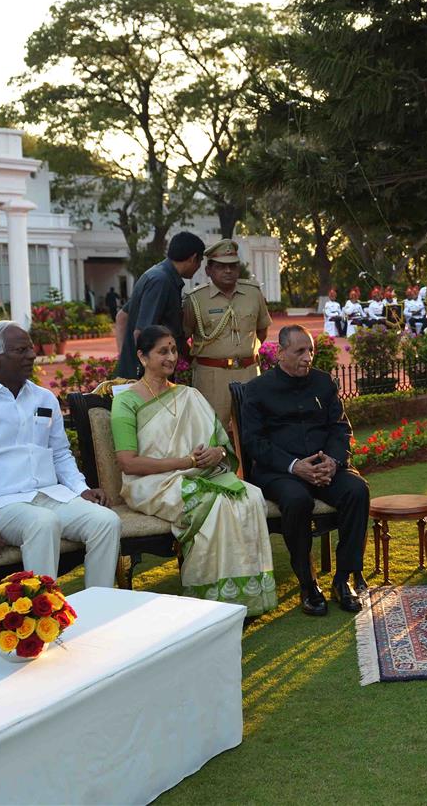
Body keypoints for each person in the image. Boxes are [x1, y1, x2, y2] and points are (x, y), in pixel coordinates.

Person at [0, 321, 121, 588]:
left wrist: (80, 488)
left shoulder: (43, 398)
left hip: (49, 495)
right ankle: (43, 616)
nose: (32, 355)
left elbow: (59, 453)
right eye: (21, 350)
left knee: (106, 521)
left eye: (31, 348)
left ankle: (100, 606)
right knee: (42, 523)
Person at [112, 326, 277, 615]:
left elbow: (220, 448)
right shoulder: (126, 401)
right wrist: (186, 463)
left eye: (174, 350)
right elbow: (128, 462)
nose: (171, 357)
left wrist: (217, 453)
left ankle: (245, 595)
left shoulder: (189, 395)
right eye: (163, 351)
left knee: (249, 497)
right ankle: (210, 599)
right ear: (142, 356)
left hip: (200, 474)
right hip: (150, 483)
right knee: (213, 503)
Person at [239, 325, 369, 615]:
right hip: (280, 472)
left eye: (310, 350)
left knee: (357, 490)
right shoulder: (257, 389)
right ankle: (308, 583)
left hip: (325, 467)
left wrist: (333, 461)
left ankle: (342, 579)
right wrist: (294, 466)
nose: (308, 357)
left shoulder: (324, 382)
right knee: (298, 500)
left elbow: (340, 428)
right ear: (281, 353)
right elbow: (253, 442)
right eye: (300, 351)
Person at [183, 239, 271, 429]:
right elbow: (183, 337)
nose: (228, 271)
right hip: (211, 376)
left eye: (232, 266)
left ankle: (248, 461)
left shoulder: (253, 293)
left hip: (249, 372)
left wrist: (246, 353)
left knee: (254, 427)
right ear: (208, 270)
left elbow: (262, 330)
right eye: (221, 266)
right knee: (212, 430)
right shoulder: (195, 299)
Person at [116, 232, 205, 378]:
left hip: (138, 371)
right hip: (149, 378)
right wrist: (145, 371)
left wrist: (126, 360)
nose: (199, 267)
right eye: (200, 261)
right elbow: (142, 333)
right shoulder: (162, 282)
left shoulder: (156, 275)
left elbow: (122, 317)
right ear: (193, 258)